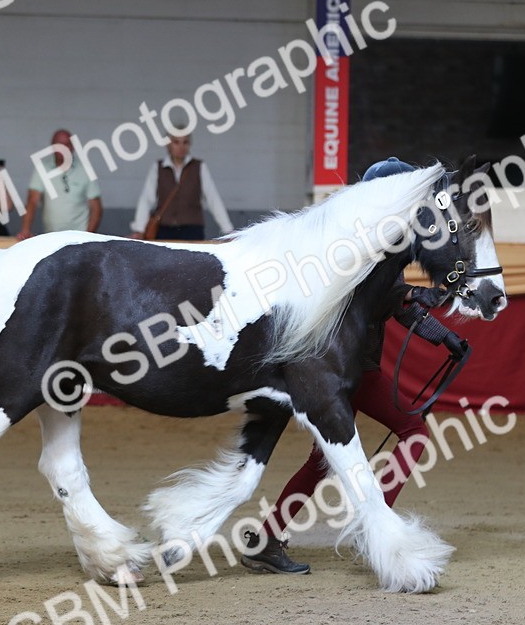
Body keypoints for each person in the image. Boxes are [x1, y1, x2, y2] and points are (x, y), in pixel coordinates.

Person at [241, 157, 466, 575]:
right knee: (414, 430)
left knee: (321, 461)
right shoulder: (372, 255)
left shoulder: (355, 249)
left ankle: (268, 537)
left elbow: (402, 299)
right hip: (353, 372)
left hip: (343, 372)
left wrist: (443, 334)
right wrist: (441, 333)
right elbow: (401, 302)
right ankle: (375, 524)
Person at [130, 132, 233, 240]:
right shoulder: (158, 167)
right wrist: (139, 230)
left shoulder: (199, 166)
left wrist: (227, 230)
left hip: (192, 230)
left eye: (185, 142)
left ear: (190, 145)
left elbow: (213, 199)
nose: (181, 147)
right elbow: (146, 199)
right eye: (176, 142)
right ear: (168, 145)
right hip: (164, 230)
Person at [19, 129, 102, 238]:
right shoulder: (42, 168)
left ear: (72, 147)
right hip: (52, 238)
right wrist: (25, 230)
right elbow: (32, 201)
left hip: (79, 237)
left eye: (67, 144)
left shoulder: (86, 169)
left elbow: (96, 208)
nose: (63, 149)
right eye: (59, 145)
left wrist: (87, 236)